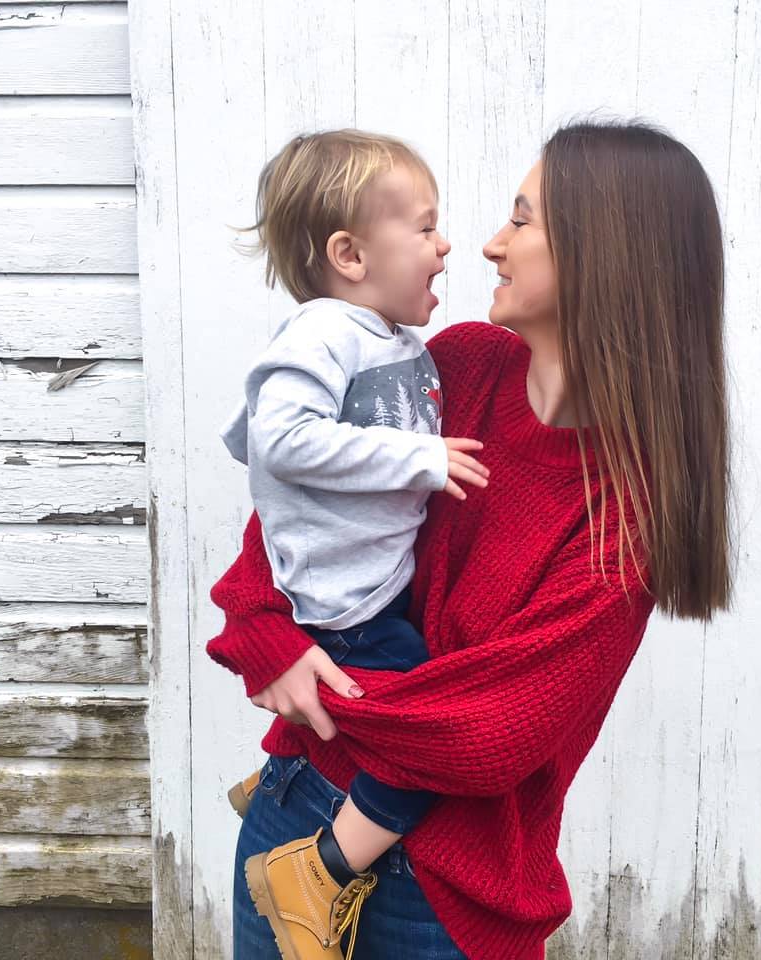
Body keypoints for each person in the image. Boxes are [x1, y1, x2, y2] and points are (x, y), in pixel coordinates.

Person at [208, 118, 732, 960]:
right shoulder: (458, 364)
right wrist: (264, 631)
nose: (488, 245)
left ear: (605, 258)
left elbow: (485, 737)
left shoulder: (626, 517)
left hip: (446, 893)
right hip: (293, 807)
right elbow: (298, 513)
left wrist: (322, 694)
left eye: (521, 221)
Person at [217, 130, 494, 960]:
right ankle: (318, 865)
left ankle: (290, 784)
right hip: (348, 610)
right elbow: (279, 437)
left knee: (403, 717)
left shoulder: (397, 343)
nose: (448, 246)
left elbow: (256, 436)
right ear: (349, 254)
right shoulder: (322, 333)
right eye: (424, 227)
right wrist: (414, 458)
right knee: (430, 731)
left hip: (370, 595)